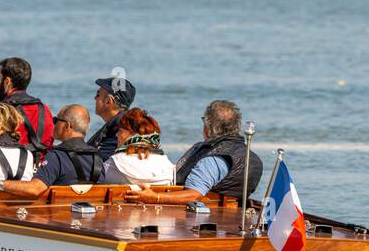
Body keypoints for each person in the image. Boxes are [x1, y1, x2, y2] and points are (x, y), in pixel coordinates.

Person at [127, 99, 263, 205]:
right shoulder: (250, 155)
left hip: (198, 220)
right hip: (229, 216)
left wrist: (154, 197)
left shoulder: (213, 158)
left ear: (209, 127)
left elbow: (194, 194)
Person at [0, 104, 103, 198]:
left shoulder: (56, 157)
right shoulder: (98, 160)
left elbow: (35, 188)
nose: (53, 124)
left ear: (67, 126)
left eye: (56, 120)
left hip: (57, 220)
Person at [0, 57, 54, 153]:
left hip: (7, 167)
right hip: (40, 166)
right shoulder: (45, 110)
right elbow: (49, 144)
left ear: (7, 82)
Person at [100, 108, 175, 186]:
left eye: (120, 131)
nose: (116, 134)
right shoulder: (167, 167)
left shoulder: (114, 163)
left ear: (134, 135)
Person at [86, 75, 136, 160]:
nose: (95, 98)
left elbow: (98, 161)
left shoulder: (120, 130)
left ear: (109, 101)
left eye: (98, 95)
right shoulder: (124, 124)